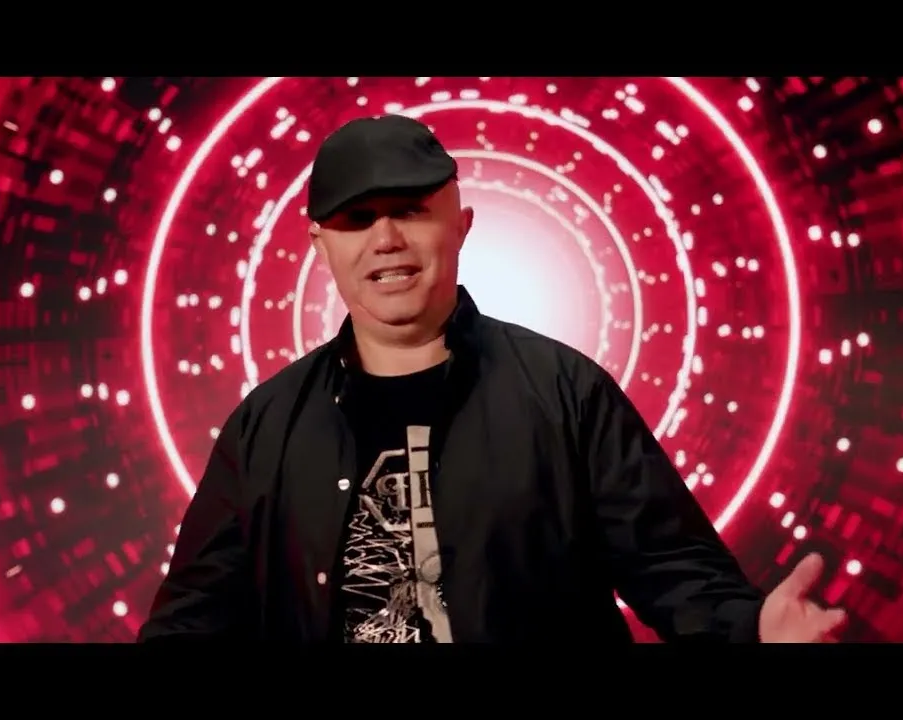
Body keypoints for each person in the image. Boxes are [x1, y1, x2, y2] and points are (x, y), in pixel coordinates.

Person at [138, 114, 847, 644]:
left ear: (461, 224)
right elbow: (191, 620)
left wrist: (755, 629)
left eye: (410, 210)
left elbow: (673, 569)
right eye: (357, 219)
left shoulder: (567, 393)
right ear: (320, 245)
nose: (386, 239)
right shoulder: (264, 426)